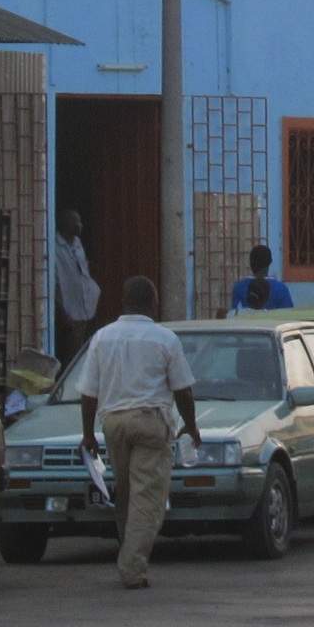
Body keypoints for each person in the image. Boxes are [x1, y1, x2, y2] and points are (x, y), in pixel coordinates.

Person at [74, 274, 200, 589]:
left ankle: (128, 552)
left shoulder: (102, 338)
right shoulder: (165, 339)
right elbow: (183, 391)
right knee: (148, 498)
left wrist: (88, 434)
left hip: (113, 423)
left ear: (124, 303)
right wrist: (191, 425)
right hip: (150, 422)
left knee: (127, 494)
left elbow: (89, 393)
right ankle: (132, 567)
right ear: (152, 304)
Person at [54, 210, 101, 364]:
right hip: (69, 310)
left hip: (86, 306)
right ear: (65, 223)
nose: (80, 225)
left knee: (86, 350)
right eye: (76, 222)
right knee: (72, 353)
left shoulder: (77, 243)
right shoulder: (54, 245)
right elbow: (56, 282)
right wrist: (62, 312)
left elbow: (84, 271)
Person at [227, 243, 295, 316]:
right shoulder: (281, 288)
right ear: (270, 261)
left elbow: (235, 315)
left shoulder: (238, 287)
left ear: (250, 262)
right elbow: (288, 316)